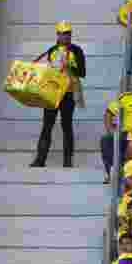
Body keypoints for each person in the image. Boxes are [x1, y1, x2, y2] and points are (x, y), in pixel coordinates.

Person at [30, 21, 87, 168]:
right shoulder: (52, 50)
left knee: (66, 125)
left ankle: (68, 160)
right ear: (57, 35)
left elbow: (82, 72)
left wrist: (69, 66)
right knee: (47, 125)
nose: (65, 36)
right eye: (62, 33)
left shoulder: (77, 50)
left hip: (68, 92)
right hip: (52, 92)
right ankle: (40, 159)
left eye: (68, 33)